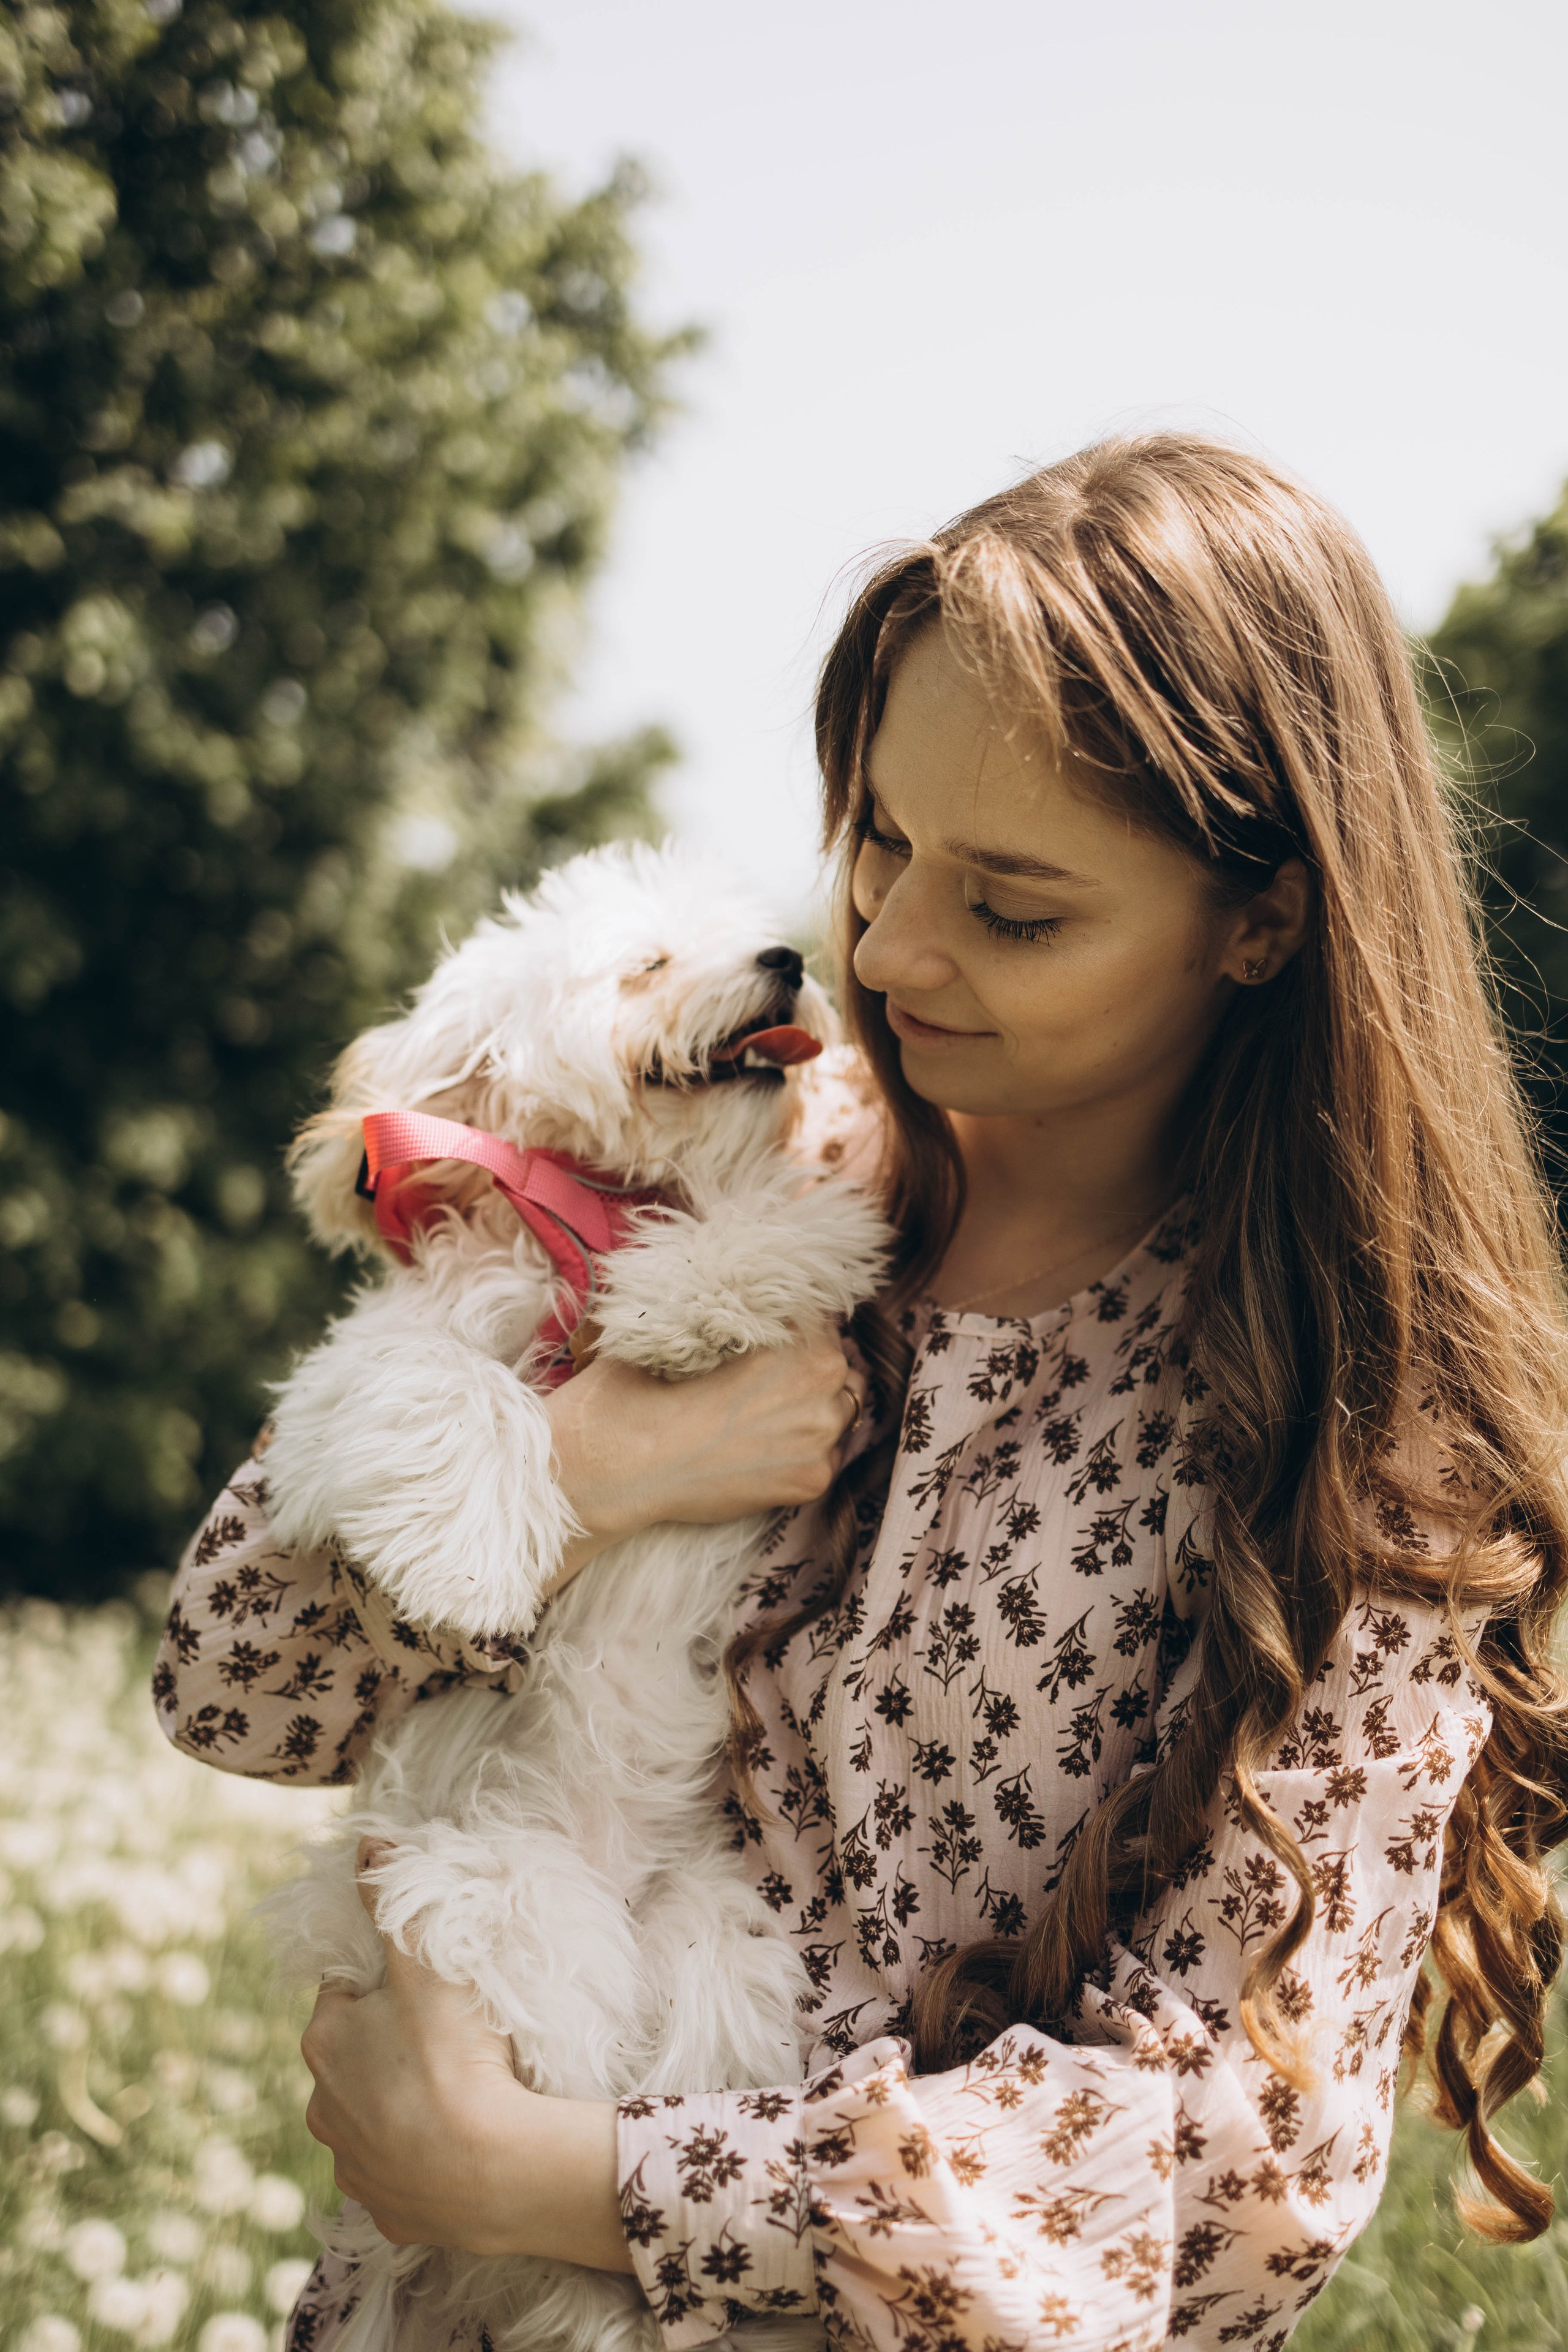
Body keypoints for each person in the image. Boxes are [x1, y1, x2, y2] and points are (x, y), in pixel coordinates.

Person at [157, 434, 1568, 2352]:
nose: (886, 952)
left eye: (1014, 908)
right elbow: (231, 1684)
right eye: (878, 843)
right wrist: (590, 1468)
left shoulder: (1372, 1468)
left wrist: (562, 2181)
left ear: (1265, 919)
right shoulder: (727, 1174)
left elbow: (1236, 2178)